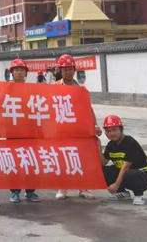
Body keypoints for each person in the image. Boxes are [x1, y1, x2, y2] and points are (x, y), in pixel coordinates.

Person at [55, 53, 100, 201]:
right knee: (63, 158)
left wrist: (94, 125)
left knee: (81, 158)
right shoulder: (54, 87)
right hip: (62, 129)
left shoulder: (81, 89)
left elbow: (88, 109)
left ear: (74, 70)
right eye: (65, 69)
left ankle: (83, 188)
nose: (68, 72)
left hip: (79, 130)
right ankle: (62, 188)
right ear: (60, 71)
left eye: (70, 69)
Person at [6, 59, 41, 204]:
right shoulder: (6, 90)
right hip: (12, 132)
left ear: (26, 72)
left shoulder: (31, 89)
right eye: (16, 70)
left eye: (22, 70)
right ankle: (15, 192)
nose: (19, 72)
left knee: (30, 161)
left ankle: (30, 191)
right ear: (12, 73)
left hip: (29, 131)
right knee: (15, 162)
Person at [102, 114, 147, 205]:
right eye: (108, 131)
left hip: (142, 178)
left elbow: (125, 168)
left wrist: (116, 185)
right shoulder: (110, 145)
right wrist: (96, 142)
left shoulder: (130, 143)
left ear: (121, 129)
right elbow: (102, 163)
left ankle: (139, 196)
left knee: (129, 172)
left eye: (114, 130)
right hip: (125, 175)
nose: (111, 133)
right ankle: (123, 193)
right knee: (102, 171)